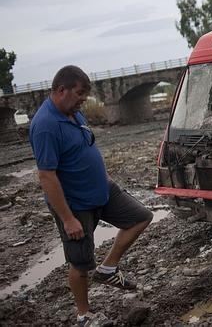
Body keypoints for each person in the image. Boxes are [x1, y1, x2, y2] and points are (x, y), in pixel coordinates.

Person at [29, 65, 153, 325]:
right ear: (61, 90)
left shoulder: (74, 113)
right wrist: (67, 219)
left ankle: (108, 269)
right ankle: (84, 315)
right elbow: (47, 176)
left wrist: (103, 178)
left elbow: (85, 148)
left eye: (85, 94)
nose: (83, 99)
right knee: (81, 264)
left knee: (140, 217)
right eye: (80, 93)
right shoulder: (45, 125)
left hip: (102, 189)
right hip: (75, 204)